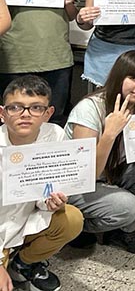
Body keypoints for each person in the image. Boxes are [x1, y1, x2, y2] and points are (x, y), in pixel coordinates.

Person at [66, 51, 135, 254]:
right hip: (77, 184)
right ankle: (77, 227)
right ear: (119, 77)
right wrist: (109, 134)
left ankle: (123, 230)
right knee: (128, 206)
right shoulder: (90, 109)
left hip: (111, 173)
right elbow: (85, 175)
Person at [0, 76, 84, 291]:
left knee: (71, 218)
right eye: (15, 107)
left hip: (25, 220)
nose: (25, 114)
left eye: (36, 108)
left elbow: (50, 185)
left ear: (48, 113)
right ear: (2, 113)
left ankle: (23, 264)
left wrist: (50, 202)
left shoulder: (55, 135)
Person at [0, 0, 78, 126]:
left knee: (54, 118)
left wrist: (69, 1)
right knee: (15, 120)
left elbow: (72, 15)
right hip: (16, 59)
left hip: (56, 58)